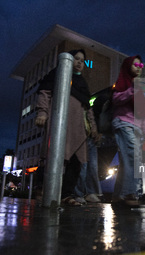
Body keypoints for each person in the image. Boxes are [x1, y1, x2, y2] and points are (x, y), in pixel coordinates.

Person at [35, 49, 99, 206]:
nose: (79, 62)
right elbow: (44, 92)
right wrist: (42, 113)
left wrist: (93, 127)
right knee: (53, 156)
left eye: (82, 60)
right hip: (59, 122)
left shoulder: (82, 83)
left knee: (76, 162)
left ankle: (66, 194)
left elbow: (87, 106)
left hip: (78, 127)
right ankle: (43, 189)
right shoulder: (56, 74)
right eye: (76, 59)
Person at [111, 55, 145, 207]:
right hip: (123, 122)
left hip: (137, 128)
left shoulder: (141, 90)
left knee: (126, 161)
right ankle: (129, 193)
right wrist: (132, 89)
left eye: (141, 65)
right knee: (133, 157)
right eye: (135, 65)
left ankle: (118, 195)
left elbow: (144, 113)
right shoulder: (122, 83)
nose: (139, 68)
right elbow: (116, 99)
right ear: (128, 67)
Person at [74, 137, 103, 204]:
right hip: (81, 135)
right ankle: (78, 193)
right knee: (82, 165)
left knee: (92, 166)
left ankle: (90, 192)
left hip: (90, 136)